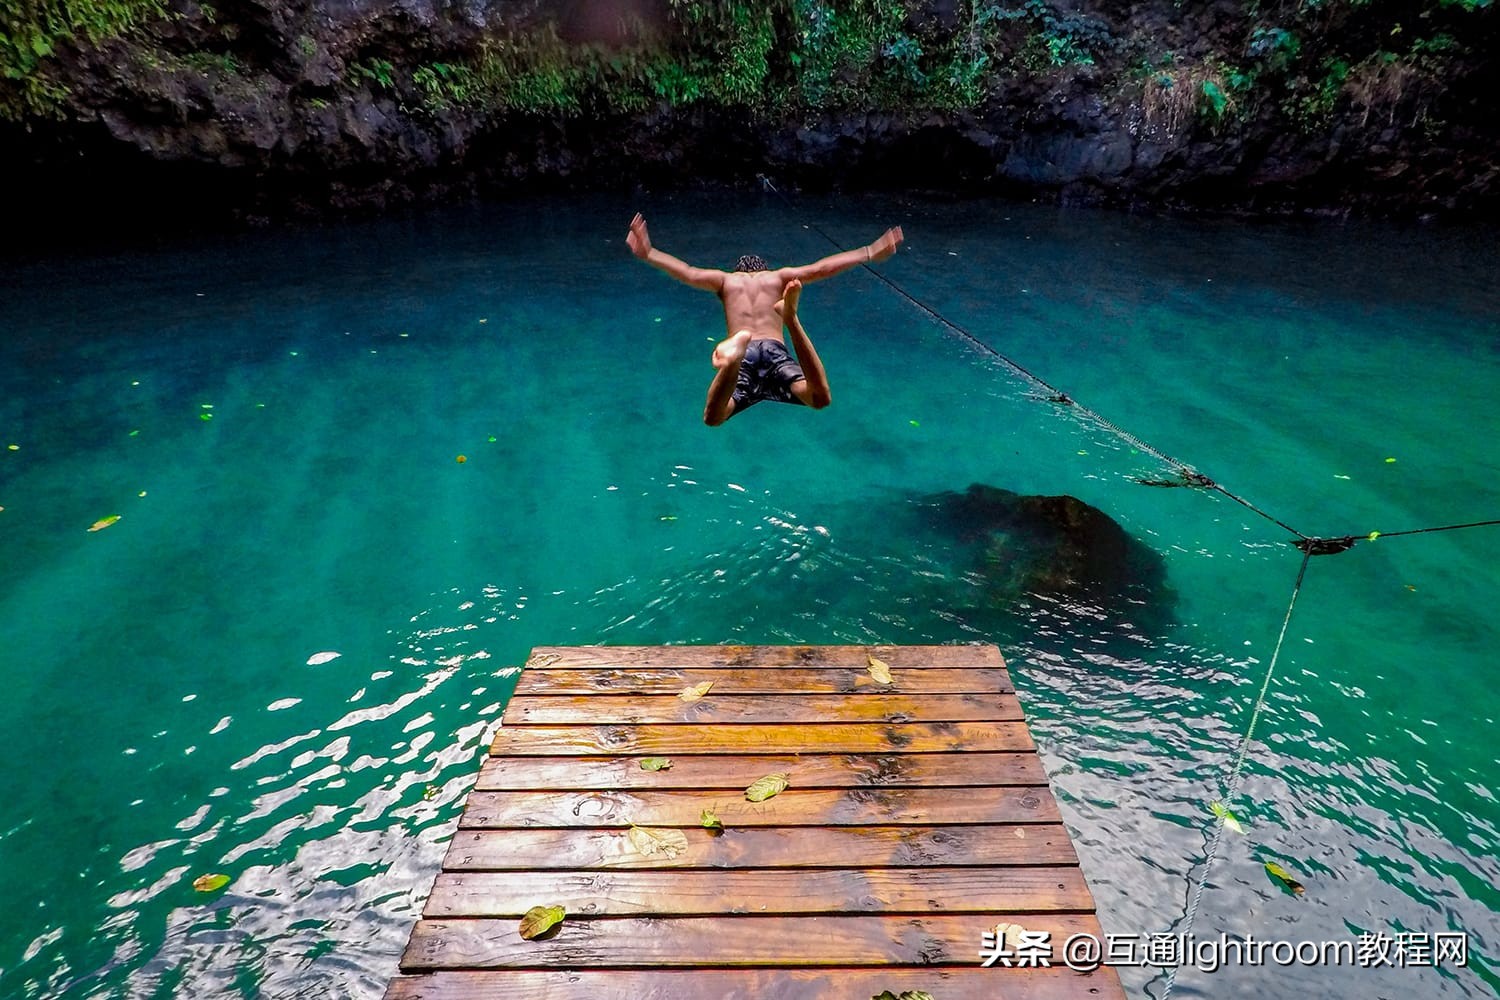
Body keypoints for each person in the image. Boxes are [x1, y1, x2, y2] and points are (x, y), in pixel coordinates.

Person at [626, 212, 904, 425]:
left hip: (745, 353)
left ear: (738, 270)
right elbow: (821, 269)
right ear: (763, 269)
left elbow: (687, 272)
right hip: (774, 352)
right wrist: (867, 252)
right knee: (819, 399)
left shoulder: (726, 281)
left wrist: (649, 253)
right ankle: (790, 318)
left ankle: (732, 360)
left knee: (714, 417)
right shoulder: (777, 277)